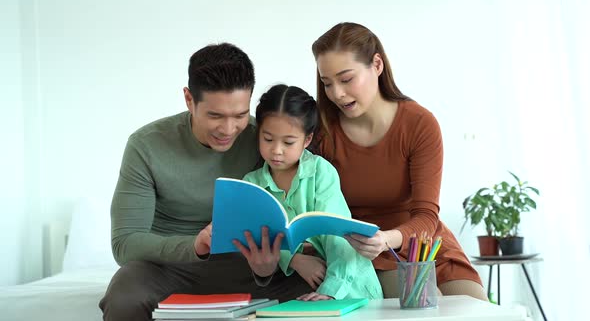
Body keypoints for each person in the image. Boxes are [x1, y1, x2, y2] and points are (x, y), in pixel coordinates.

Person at [99, 43, 312, 321]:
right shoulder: (146, 146)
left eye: (239, 115)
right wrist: (195, 246)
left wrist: (271, 263)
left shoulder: (265, 139)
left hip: (247, 266)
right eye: (215, 116)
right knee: (125, 297)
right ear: (189, 100)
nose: (228, 129)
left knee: (319, 289)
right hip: (169, 267)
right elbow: (125, 244)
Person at [309, 22, 488, 300]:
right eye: (327, 83)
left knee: (475, 308)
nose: (336, 94)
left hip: (424, 243)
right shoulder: (321, 133)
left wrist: (386, 238)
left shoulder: (419, 124)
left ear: (376, 64)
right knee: (426, 306)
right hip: (368, 252)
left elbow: (427, 216)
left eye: (346, 79)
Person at [233, 84, 383, 301]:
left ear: (307, 140)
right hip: (300, 292)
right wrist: (293, 259)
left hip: (349, 286)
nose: (276, 150)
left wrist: (330, 291)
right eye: (268, 139)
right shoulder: (251, 183)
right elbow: (260, 239)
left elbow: (339, 237)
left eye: (288, 142)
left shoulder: (321, 172)